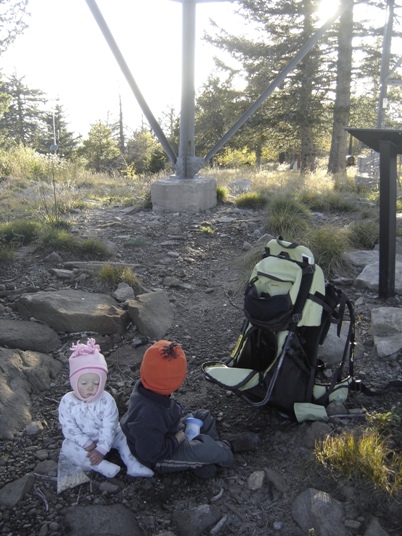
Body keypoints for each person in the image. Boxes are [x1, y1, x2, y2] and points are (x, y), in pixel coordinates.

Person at [121, 340, 260, 478]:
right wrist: (177, 439)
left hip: (169, 432)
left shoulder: (148, 385)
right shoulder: (148, 415)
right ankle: (225, 447)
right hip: (161, 457)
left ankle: (205, 459)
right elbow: (151, 453)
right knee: (205, 449)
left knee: (203, 415)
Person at [58, 338, 153, 479]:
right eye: (83, 383)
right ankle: (100, 466)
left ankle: (133, 464)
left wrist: (102, 448)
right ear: (74, 381)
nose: (90, 387)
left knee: (125, 435)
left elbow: (109, 425)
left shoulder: (106, 400)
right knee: (68, 447)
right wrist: (87, 443)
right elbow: (69, 427)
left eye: (96, 383)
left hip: (109, 436)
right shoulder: (67, 401)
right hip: (83, 442)